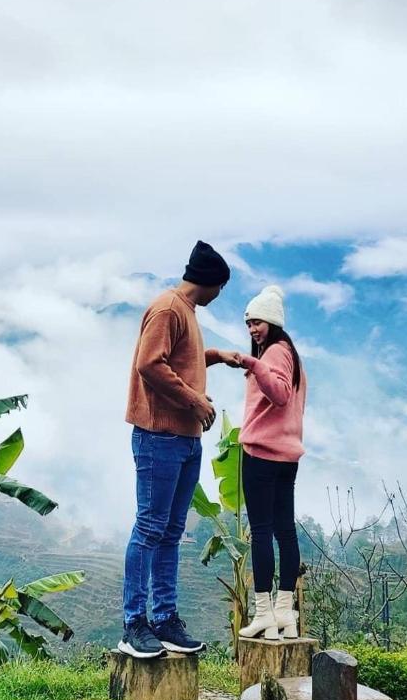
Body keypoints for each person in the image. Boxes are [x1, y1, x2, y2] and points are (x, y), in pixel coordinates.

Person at [119, 240, 236, 659]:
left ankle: (165, 619)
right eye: (219, 288)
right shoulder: (169, 308)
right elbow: (150, 364)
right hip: (160, 437)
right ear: (209, 283)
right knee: (150, 528)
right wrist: (195, 400)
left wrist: (215, 357)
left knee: (171, 532)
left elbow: (180, 361)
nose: (218, 296)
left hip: (186, 440)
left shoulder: (184, 312)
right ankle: (135, 623)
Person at [224, 284, 307, 640]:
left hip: (261, 453)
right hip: (288, 455)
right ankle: (286, 614)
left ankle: (264, 615)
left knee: (261, 532)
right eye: (248, 324)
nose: (252, 329)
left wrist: (252, 363)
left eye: (258, 322)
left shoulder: (273, 354)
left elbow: (279, 394)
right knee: (284, 531)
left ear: (272, 323)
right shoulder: (290, 354)